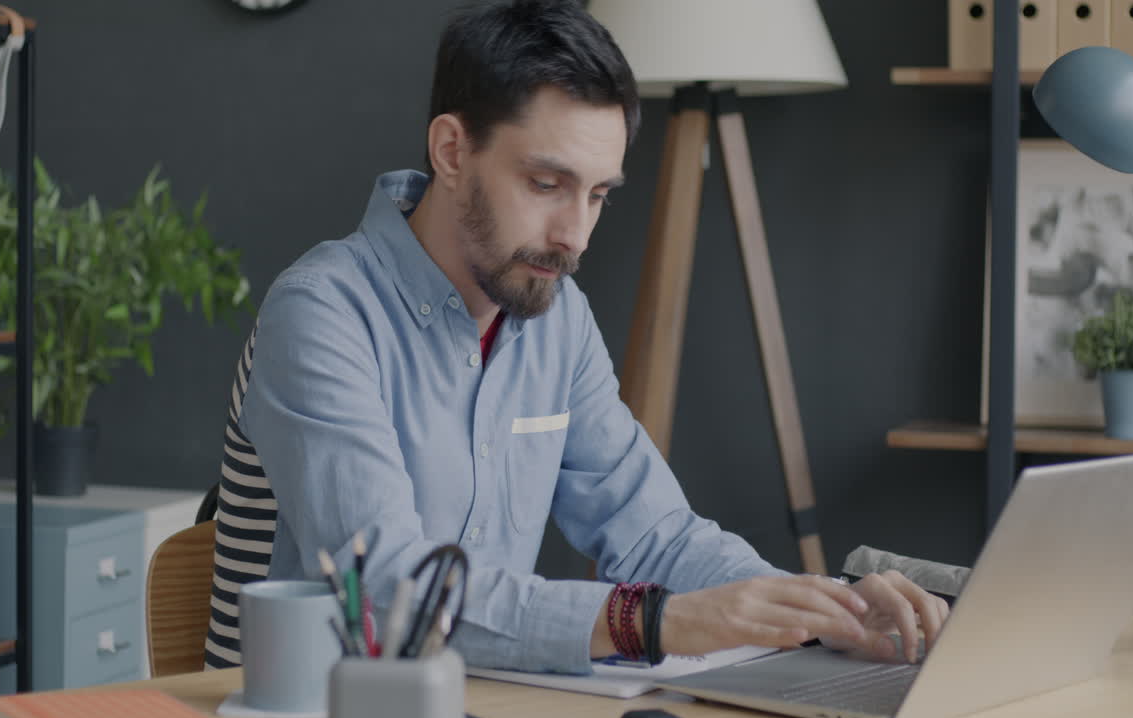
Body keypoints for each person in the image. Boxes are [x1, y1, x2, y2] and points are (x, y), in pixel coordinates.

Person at [203, 0, 948, 674]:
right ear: (452, 150)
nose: (574, 236)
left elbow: (657, 534)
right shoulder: (320, 312)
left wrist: (818, 612)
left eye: (597, 195)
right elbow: (393, 592)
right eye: (545, 184)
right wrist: (653, 620)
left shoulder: (554, 316)